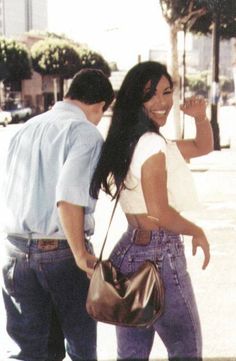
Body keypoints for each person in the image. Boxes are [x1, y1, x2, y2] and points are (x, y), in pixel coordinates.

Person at [90, 61, 213, 361]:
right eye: (151, 94)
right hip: (160, 254)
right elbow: (159, 212)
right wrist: (196, 230)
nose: (162, 102)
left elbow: (202, 146)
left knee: (131, 355)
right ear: (136, 98)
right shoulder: (152, 144)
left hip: (128, 251)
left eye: (166, 92)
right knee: (186, 349)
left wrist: (200, 118)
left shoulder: (128, 141)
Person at [0, 68, 114, 361]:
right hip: (62, 253)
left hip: (15, 253)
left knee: (28, 351)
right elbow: (68, 198)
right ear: (99, 105)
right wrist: (79, 254)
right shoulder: (85, 133)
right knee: (80, 348)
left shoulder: (24, 128)